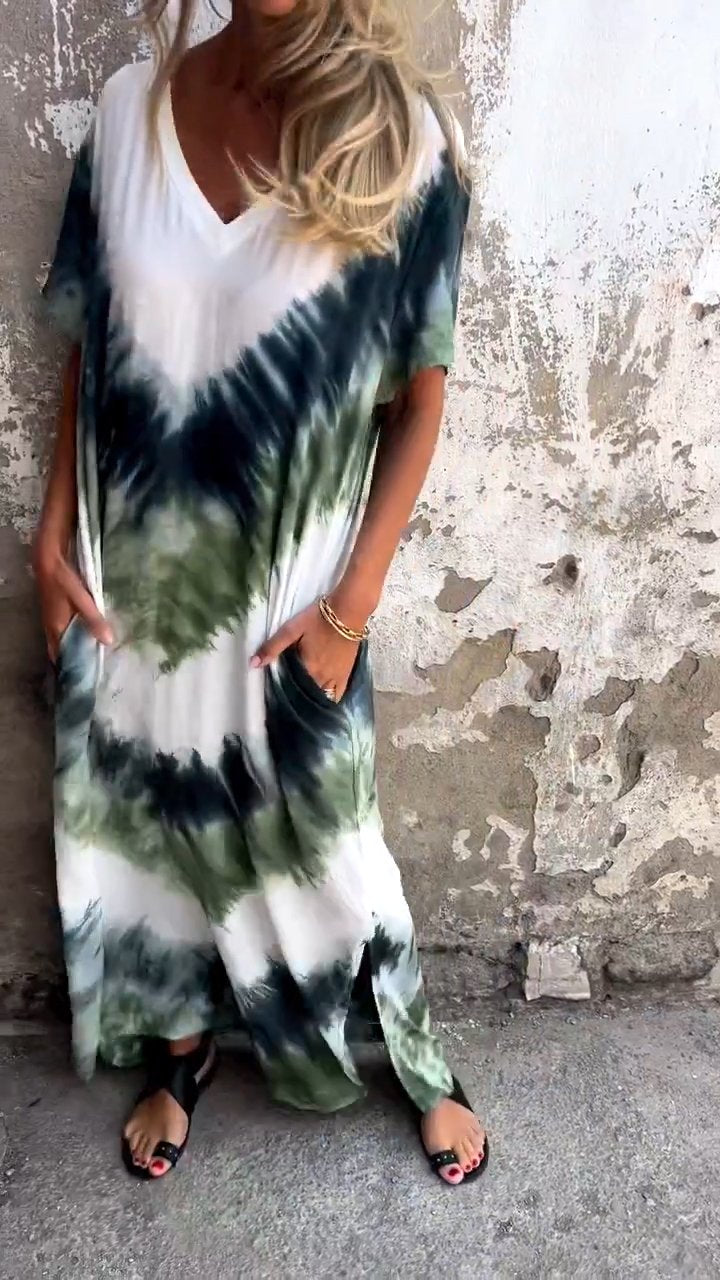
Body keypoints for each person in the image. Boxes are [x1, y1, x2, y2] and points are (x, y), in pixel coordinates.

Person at [34, 0, 488, 1187]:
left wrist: (351, 608)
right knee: (154, 841)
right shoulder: (127, 118)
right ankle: (180, 1048)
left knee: (337, 852)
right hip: (135, 594)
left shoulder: (401, 145)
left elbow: (421, 401)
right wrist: (50, 538)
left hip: (294, 609)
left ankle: (419, 1058)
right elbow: (89, 345)